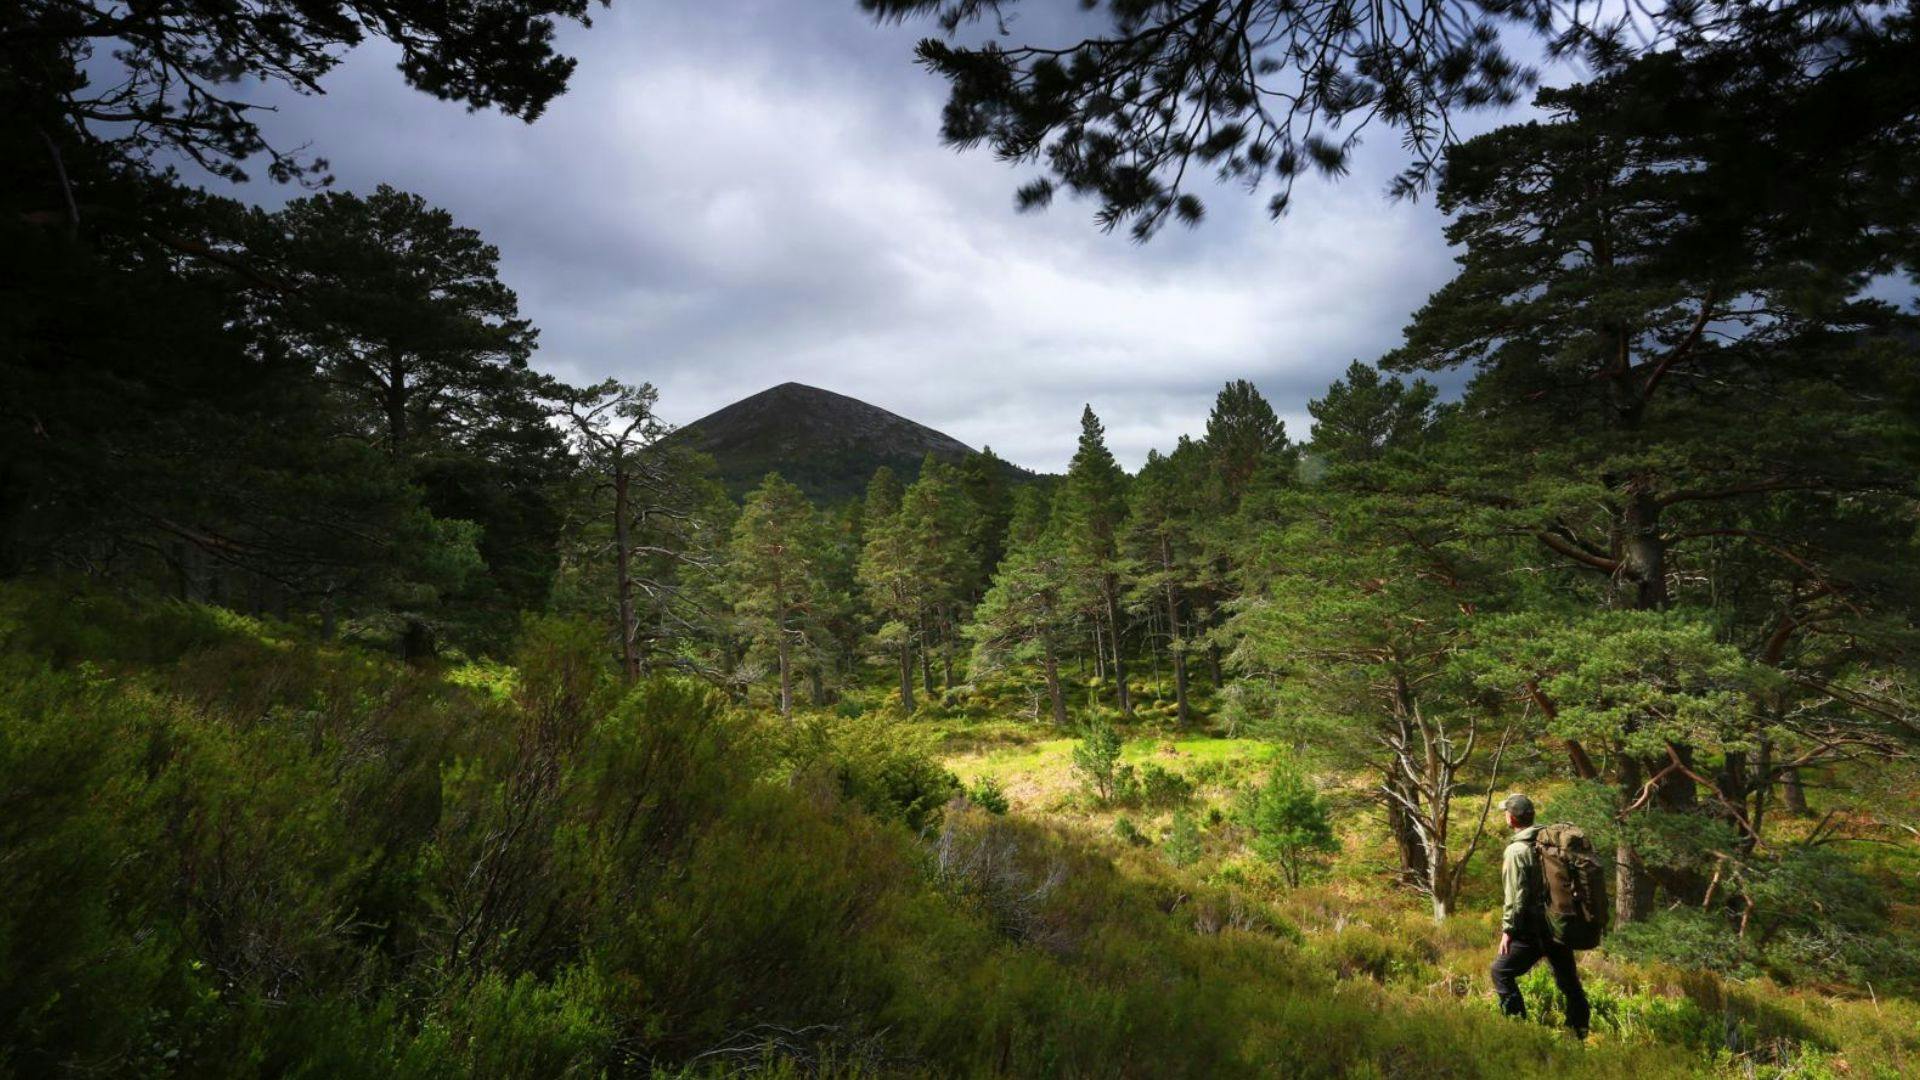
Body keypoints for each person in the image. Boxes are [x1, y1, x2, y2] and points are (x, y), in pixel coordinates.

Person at [1490, 793, 1590, 1038]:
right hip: (1559, 922)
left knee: (1500, 971)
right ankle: (1579, 1029)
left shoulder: (1516, 851)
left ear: (1512, 818)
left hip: (1532, 930)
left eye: (1506, 812)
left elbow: (1516, 897)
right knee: (1568, 980)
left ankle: (1517, 1028)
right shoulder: (1550, 843)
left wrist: (1508, 931)